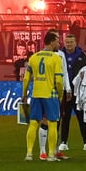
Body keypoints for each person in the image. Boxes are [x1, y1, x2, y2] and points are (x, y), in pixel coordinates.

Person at [20, 30, 64, 161]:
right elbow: (59, 80)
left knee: (33, 123)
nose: (59, 44)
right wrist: (60, 94)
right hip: (50, 94)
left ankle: (29, 154)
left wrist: (24, 94)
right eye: (57, 41)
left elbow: (26, 79)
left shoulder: (33, 57)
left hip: (36, 94)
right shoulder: (56, 58)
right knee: (52, 124)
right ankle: (51, 155)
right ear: (51, 42)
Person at [58, 33, 86, 153]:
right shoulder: (59, 55)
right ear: (64, 42)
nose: (69, 44)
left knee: (82, 117)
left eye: (71, 42)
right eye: (67, 42)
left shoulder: (83, 55)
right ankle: (63, 142)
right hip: (64, 91)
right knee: (65, 117)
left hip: (79, 92)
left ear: (75, 43)